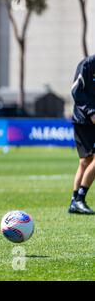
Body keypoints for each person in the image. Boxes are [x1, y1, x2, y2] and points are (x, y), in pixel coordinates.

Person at [69, 55, 95, 214]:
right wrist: (92, 112)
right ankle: (79, 199)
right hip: (84, 120)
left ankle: (75, 202)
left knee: (85, 161)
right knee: (86, 161)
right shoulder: (87, 64)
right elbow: (75, 90)